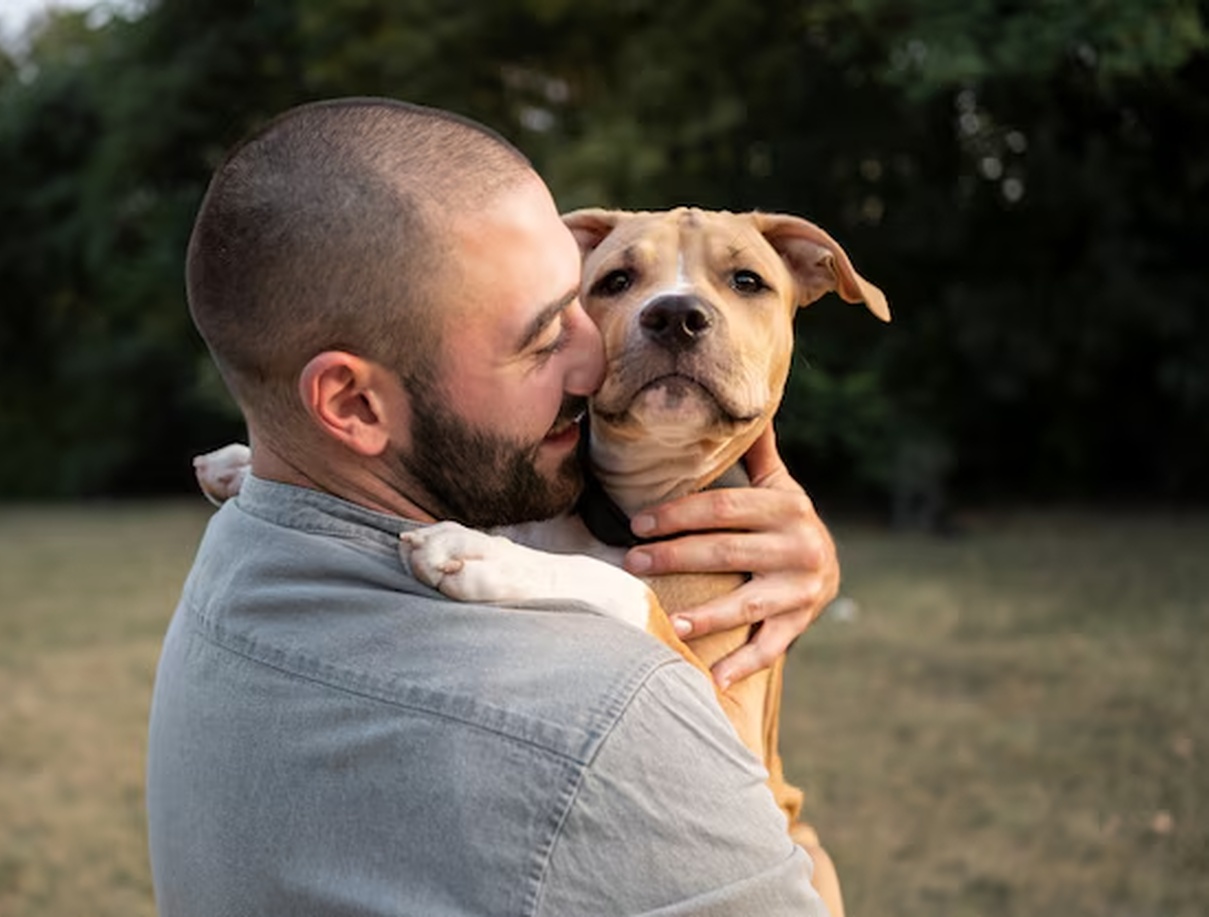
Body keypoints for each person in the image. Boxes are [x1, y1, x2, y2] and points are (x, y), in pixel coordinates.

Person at [147, 97, 839, 916]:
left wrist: (279, 455)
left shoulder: (247, 556)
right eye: (549, 331)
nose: (593, 357)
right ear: (352, 408)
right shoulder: (607, 725)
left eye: (744, 282)